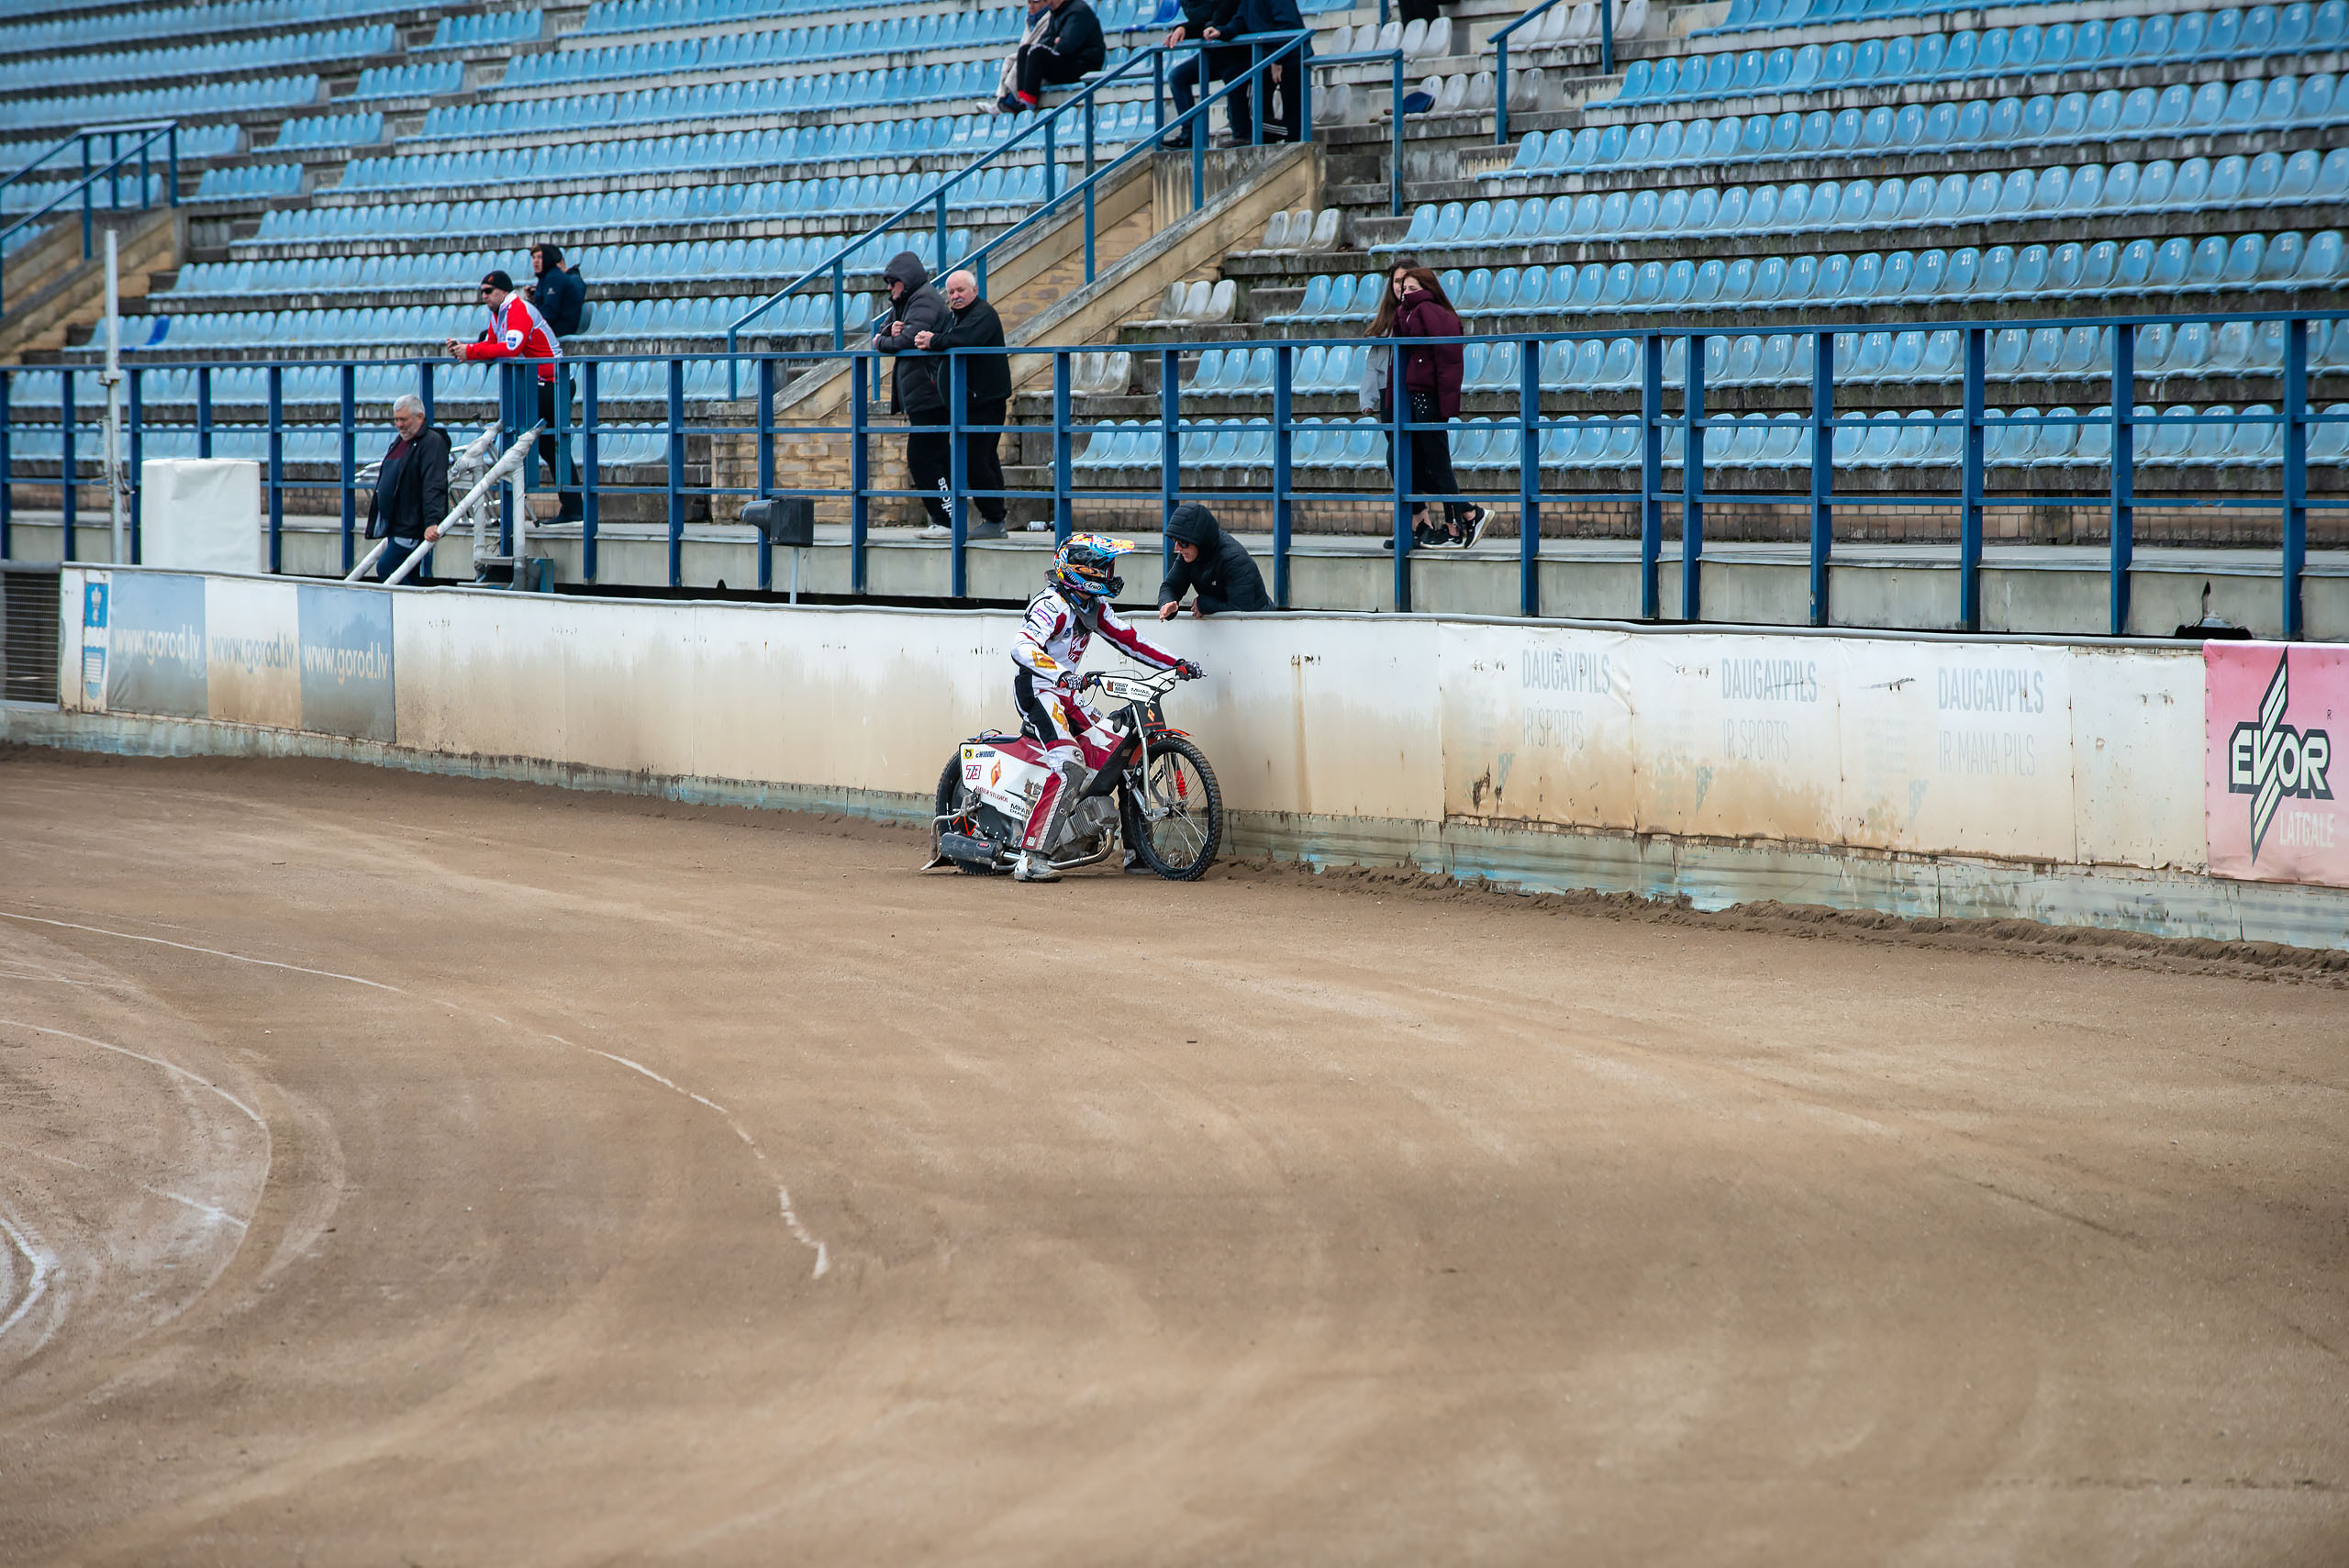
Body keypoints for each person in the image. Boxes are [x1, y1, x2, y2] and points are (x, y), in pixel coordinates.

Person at [1008, 534, 1200, 882]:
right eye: (1103, 567)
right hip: (1038, 690)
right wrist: (1061, 673)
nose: (1109, 574)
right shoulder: (1051, 605)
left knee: (1122, 751)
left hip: (1067, 692)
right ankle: (1030, 857)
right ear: (1080, 571)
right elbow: (1021, 647)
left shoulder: (1093, 607)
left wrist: (1177, 664)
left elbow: (1132, 641)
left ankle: (1137, 853)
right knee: (1069, 764)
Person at [1367, 263, 1486, 549]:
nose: (1404, 292)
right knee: (1406, 461)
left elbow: (1445, 358)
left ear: (1427, 289)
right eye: (1401, 286)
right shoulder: (1400, 314)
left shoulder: (1428, 312)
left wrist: (1446, 404)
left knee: (1432, 461)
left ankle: (1458, 520)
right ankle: (1457, 515)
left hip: (1424, 397)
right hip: (1403, 397)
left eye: (1411, 287)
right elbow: (1379, 361)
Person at [447, 269, 580, 523]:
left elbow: (510, 347)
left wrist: (471, 351)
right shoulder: (499, 313)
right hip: (540, 384)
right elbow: (493, 343)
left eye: (489, 292)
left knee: (530, 440)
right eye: (482, 292)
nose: (484, 296)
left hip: (553, 384)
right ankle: (572, 507)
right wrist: (464, 348)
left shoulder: (517, 310)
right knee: (548, 448)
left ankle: (533, 506)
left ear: (503, 292)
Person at [913, 269, 1011, 539]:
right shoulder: (954, 318)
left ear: (974, 291)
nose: (955, 296)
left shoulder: (983, 314)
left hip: (986, 402)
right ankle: (995, 518)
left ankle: (994, 519)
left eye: (960, 291)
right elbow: (942, 336)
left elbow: (964, 340)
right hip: (967, 404)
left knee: (976, 459)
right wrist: (895, 331)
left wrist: (934, 341)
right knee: (983, 458)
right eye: (951, 292)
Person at [870, 251, 962, 536]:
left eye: (892, 282)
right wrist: (887, 334)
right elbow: (888, 333)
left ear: (905, 280)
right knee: (936, 456)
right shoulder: (905, 302)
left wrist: (883, 340)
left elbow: (906, 339)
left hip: (931, 392)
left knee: (922, 457)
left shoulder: (923, 300)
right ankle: (948, 518)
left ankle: (945, 520)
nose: (889, 288)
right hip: (923, 394)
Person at [1195, 0, 1308, 142]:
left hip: (1292, 57)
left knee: (1292, 113)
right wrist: (1220, 31)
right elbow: (1238, 21)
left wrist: (1277, 59)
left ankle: (1289, 134)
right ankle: (1247, 134)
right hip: (1268, 58)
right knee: (1234, 75)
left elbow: (1289, 25)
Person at [365, 394, 450, 584]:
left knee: (387, 567)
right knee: (408, 574)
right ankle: (417, 609)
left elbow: (434, 484)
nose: (399, 425)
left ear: (419, 417)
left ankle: (411, 611)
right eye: (396, 420)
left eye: (403, 419)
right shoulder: (400, 441)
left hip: (410, 526)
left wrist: (432, 521)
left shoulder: (431, 443)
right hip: (396, 525)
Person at [1157, 501, 1271, 617]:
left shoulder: (1235, 560)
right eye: (1175, 540)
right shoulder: (1189, 554)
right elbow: (1170, 586)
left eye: (1183, 542)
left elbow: (1241, 611)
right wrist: (1167, 605)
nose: (1177, 548)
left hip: (1263, 625)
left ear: (1199, 540)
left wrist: (1203, 604)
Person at [1160, 0, 1246, 147]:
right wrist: (1182, 29)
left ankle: (1241, 134)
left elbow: (1217, 19)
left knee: (1232, 74)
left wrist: (1185, 28)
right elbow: (1204, 24)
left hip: (1238, 50)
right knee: (1177, 76)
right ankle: (1189, 135)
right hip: (1214, 52)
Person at [1000, 0, 1105, 112]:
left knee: (1037, 53)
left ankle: (1028, 104)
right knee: (1024, 50)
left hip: (1083, 66)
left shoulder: (1079, 11)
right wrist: (1056, 40)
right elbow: (1044, 40)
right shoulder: (1056, 12)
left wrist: (1056, 42)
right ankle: (1021, 100)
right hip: (1069, 61)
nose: (1048, 2)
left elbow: (1066, 47)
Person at [526, 241, 584, 339]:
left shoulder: (554, 278)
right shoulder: (545, 278)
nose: (536, 261)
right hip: (550, 326)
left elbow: (549, 314)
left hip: (560, 328)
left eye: (540, 257)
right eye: (534, 257)